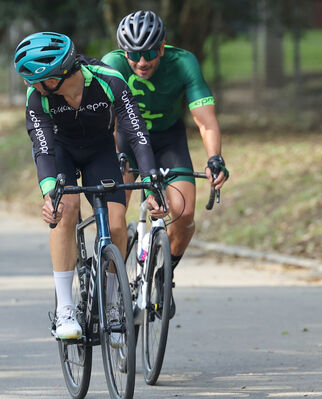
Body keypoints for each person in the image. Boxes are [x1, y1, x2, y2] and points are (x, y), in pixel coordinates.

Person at [14, 32, 164, 340]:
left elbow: (136, 134)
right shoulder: (38, 97)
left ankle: (111, 304)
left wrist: (150, 184)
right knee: (65, 210)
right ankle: (65, 308)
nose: (31, 85)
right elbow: (43, 148)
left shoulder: (108, 80)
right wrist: (49, 196)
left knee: (117, 224)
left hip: (100, 152)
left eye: (36, 79)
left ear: (56, 76)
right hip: (62, 154)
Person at [102, 10, 229, 281]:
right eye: (134, 55)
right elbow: (106, 124)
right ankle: (112, 289)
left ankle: (161, 278)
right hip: (126, 142)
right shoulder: (111, 64)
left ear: (162, 47)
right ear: (124, 53)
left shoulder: (183, 63)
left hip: (167, 139)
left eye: (149, 52)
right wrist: (112, 156)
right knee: (114, 220)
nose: (142, 62)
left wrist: (214, 158)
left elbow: (205, 121)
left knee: (183, 214)